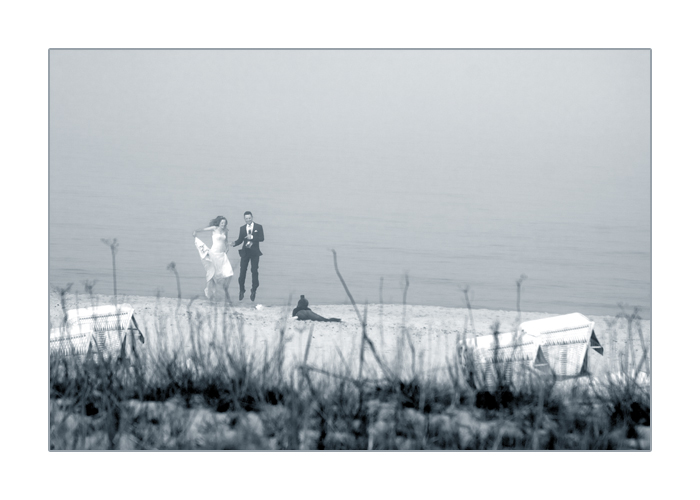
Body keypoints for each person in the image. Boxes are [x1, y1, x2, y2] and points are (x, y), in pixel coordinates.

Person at [192, 216, 234, 303]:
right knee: (212, 273)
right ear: (219, 223)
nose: (223, 224)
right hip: (213, 253)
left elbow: (226, 242)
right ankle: (210, 292)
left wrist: (229, 246)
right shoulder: (214, 228)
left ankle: (214, 293)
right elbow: (203, 229)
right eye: (222, 223)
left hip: (221, 254)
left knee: (226, 273)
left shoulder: (226, 230)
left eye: (224, 223)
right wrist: (195, 231)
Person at [232, 211, 264, 301]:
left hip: (255, 253)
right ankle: (241, 290)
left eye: (249, 218)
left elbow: (262, 238)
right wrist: (234, 243)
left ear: (252, 217)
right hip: (245, 252)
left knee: (254, 271)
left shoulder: (258, 227)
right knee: (242, 272)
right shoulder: (242, 228)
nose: (248, 220)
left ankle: (253, 290)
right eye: (246, 219)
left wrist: (252, 237)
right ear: (244, 219)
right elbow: (240, 240)